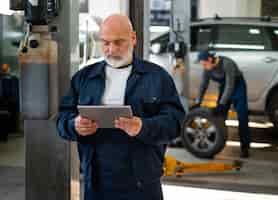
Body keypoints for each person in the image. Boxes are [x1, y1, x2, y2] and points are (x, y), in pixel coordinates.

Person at [56, 14, 185, 200]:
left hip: (143, 183)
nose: (111, 49)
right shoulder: (84, 78)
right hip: (96, 181)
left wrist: (143, 127)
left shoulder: (157, 78)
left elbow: (175, 124)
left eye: (119, 42)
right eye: (105, 43)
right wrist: (73, 125)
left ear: (133, 38)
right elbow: (61, 120)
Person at [196, 51, 251, 158]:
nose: (203, 66)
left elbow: (230, 85)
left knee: (242, 116)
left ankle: (245, 147)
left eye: (203, 63)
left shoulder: (227, 64)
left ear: (210, 60)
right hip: (224, 87)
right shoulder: (207, 69)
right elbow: (203, 84)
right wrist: (198, 102)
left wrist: (222, 103)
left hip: (238, 86)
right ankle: (213, 146)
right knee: (219, 116)